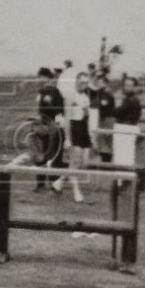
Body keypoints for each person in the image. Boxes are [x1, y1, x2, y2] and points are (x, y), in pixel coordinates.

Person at [33, 67, 68, 191]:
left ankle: (54, 184)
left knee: (52, 156)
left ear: (46, 78)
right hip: (43, 127)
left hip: (52, 128)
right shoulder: (41, 92)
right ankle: (42, 184)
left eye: (40, 77)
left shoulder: (54, 92)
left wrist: (59, 129)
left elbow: (60, 112)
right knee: (41, 155)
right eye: (38, 77)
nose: (38, 80)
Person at [63, 71, 91, 204]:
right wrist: (67, 138)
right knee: (76, 160)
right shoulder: (71, 96)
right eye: (82, 82)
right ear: (76, 82)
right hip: (74, 127)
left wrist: (86, 112)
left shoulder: (86, 97)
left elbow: (86, 117)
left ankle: (58, 182)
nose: (84, 85)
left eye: (86, 82)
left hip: (83, 128)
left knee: (83, 162)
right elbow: (67, 118)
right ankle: (76, 191)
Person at [113, 74, 143, 169]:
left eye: (130, 85)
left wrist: (117, 105)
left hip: (125, 128)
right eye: (126, 85)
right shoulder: (129, 99)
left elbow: (117, 113)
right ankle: (121, 180)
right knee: (124, 156)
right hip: (127, 128)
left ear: (134, 87)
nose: (127, 87)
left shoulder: (131, 100)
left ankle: (122, 179)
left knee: (123, 156)